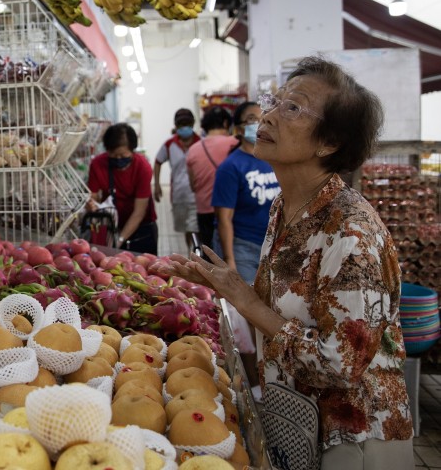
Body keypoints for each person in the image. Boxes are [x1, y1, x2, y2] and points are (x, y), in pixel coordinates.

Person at [159, 56, 413, 468]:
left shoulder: (351, 234)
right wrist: (225, 285)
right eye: (274, 101)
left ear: (328, 143)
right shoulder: (286, 206)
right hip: (300, 423)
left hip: (354, 439)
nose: (269, 115)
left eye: (292, 107)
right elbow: (288, 307)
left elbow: (340, 364)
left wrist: (247, 302)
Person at [211, 101, 279, 284]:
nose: (260, 122)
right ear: (239, 129)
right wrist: (229, 261)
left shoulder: (274, 160)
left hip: (272, 246)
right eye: (252, 119)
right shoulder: (231, 167)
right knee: (245, 305)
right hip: (243, 247)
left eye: (263, 117)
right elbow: (224, 219)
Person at [86, 123, 158, 254]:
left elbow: (139, 212)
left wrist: (118, 240)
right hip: (111, 225)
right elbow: (93, 196)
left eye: (123, 155)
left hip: (141, 228)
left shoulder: (142, 167)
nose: (118, 159)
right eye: (113, 155)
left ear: (132, 150)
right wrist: (92, 205)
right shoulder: (98, 164)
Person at [186, 106, 236, 249]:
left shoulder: (193, 150)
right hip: (230, 210)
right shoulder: (235, 144)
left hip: (204, 209)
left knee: (209, 252)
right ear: (226, 124)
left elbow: (193, 185)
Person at [153, 108, 200, 252]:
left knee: (194, 227)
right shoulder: (169, 145)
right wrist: (157, 185)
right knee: (187, 228)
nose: (184, 127)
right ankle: (191, 251)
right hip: (179, 195)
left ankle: (195, 254)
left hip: (198, 194)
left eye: (187, 124)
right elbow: (158, 161)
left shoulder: (201, 142)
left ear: (193, 124)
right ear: (176, 126)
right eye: (181, 125)